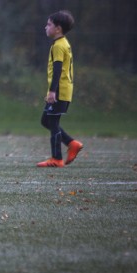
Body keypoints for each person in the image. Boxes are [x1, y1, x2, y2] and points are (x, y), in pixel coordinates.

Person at [37, 10, 84, 167]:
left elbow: (58, 69)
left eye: (49, 24)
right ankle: (72, 143)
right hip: (62, 89)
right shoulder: (63, 43)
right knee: (46, 120)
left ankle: (56, 158)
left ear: (58, 28)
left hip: (60, 90)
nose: (46, 27)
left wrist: (52, 91)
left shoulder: (58, 46)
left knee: (53, 122)